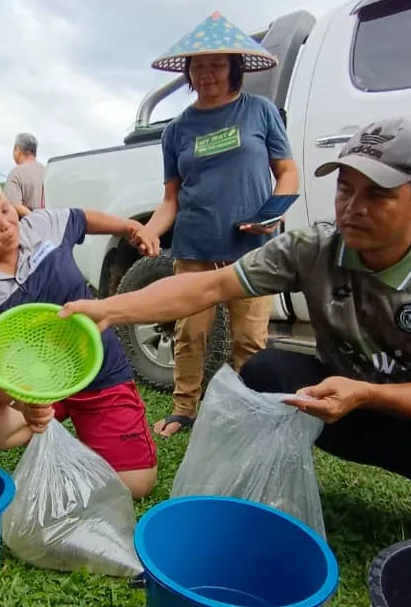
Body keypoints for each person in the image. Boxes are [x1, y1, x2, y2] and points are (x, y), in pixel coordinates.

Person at [62, 117, 411, 542]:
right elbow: (210, 285)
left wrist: (366, 393)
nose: (354, 207)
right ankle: (267, 488)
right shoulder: (313, 248)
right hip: (337, 406)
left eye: (378, 194)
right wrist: (108, 310)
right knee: (265, 371)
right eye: (345, 189)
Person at [136, 11, 299, 437]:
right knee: (190, 334)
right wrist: (151, 230)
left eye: (216, 64)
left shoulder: (260, 112)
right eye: (198, 66)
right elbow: (171, 199)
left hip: (251, 250)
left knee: (250, 340)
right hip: (193, 247)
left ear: (234, 68)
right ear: (188, 72)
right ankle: (184, 409)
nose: (206, 74)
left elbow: (287, 172)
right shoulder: (176, 130)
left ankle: (250, 412)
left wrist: (273, 212)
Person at [0, 176, 159, 499]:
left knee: (137, 485)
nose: (6, 224)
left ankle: (78, 444)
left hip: (99, 374)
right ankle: (48, 429)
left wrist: (130, 228)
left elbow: (82, 218)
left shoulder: (41, 226)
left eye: (6, 210)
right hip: (36, 387)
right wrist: (22, 404)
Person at [4, 133, 46, 218]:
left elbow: (13, 205)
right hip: (52, 226)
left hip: (27, 227)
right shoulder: (47, 172)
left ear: (17, 149)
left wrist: (37, 220)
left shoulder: (16, 173)